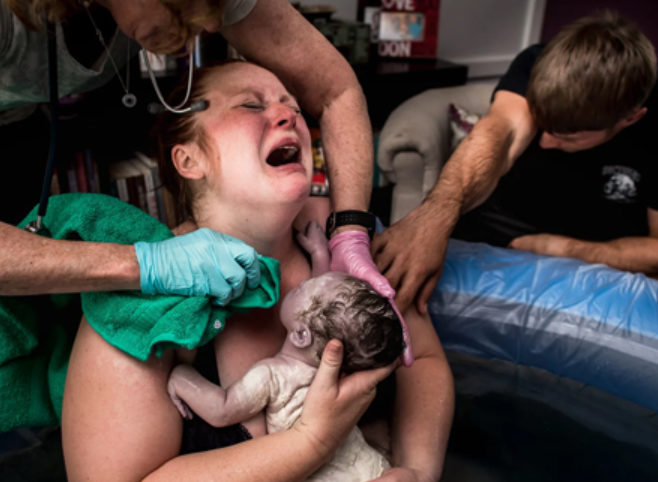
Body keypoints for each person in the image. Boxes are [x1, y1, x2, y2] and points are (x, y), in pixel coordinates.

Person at [62, 61, 454, 482]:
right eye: (251, 106)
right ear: (189, 159)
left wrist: (416, 472)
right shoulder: (144, 303)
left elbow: (424, 360)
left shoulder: (344, 238)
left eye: (294, 107)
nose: (289, 116)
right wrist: (310, 443)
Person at [0, 0, 389, 307]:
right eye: (250, 105)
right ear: (186, 160)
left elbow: (334, 92)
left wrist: (350, 233)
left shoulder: (321, 235)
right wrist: (146, 267)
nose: (214, 22)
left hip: (18, 127)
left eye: (287, 103)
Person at [374, 11, 658, 314]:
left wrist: (562, 249)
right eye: (543, 127)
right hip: (500, 222)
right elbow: (501, 133)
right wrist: (434, 217)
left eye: (569, 138)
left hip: (596, 242)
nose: (547, 143)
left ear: (631, 118)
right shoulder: (536, 62)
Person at [167, 220, 404, 481]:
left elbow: (222, 410)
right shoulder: (342, 373)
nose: (301, 283)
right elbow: (324, 309)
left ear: (301, 335)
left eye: (303, 287)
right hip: (373, 468)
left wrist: (180, 376)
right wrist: (319, 254)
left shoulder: (273, 376)